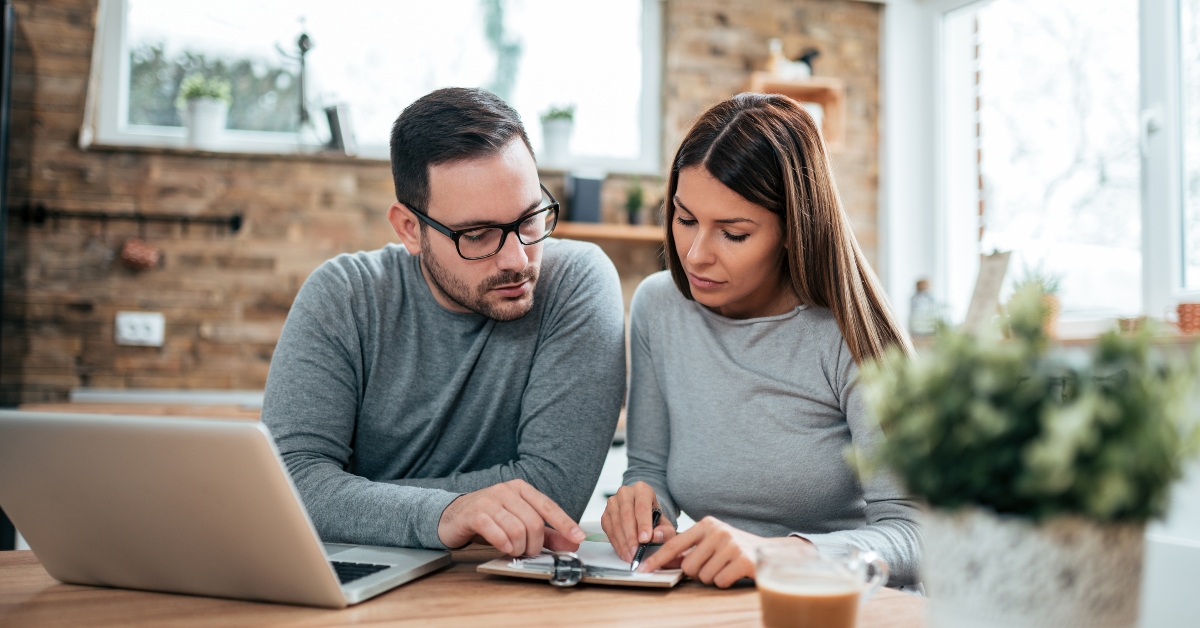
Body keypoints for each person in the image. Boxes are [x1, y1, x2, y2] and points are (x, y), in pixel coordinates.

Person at [263, 88, 626, 557]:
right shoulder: (345, 295)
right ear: (410, 229)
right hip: (356, 575)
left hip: (499, 585)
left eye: (531, 218)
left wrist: (354, 498)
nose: (518, 259)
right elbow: (290, 484)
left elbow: (553, 493)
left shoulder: (577, 282)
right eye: (477, 235)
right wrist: (446, 512)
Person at [601, 93, 921, 588]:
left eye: (733, 233)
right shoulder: (658, 309)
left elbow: (915, 533)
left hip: (842, 608)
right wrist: (643, 508)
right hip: (722, 605)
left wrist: (780, 555)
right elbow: (649, 470)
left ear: (794, 230)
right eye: (685, 220)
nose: (695, 255)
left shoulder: (853, 335)